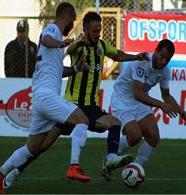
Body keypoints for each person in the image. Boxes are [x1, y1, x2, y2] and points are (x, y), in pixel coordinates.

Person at [0, 3, 85, 194]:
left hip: (41, 98)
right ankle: (74, 166)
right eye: (72, 21)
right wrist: (62, 44)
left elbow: (57, 71)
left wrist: (75, 69)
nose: (71, 25)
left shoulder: (56, 44)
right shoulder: (53, 30)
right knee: (82, 119)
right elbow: (47, 39)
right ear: (67, 17)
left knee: (33, 147)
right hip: (47, 96)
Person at [63, 11, 150, 182]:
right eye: (95, 31)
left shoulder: (101, 46)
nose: (98, 34)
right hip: (71, 105)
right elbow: (69, 49)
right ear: (85, 30)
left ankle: (110, 158)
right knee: (42, 144)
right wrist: (80, 41)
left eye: (100, 30)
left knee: (115, 123)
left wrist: (135, 57)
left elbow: (117, 54)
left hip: (91, 107)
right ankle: (14, 171)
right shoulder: (79, 47)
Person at [110, 39, 186, 170]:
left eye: (168, 59)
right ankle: (111, 156)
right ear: (156, 51)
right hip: (122, 100)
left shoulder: (164, 71)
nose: (164, 61)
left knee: (153, 136)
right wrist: (161, 105)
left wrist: (181, 112)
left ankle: (135, 169)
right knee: (135, 136)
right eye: (162, 57)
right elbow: (138, 93)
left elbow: (166, 96)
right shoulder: (142, 62)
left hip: (139, 102)